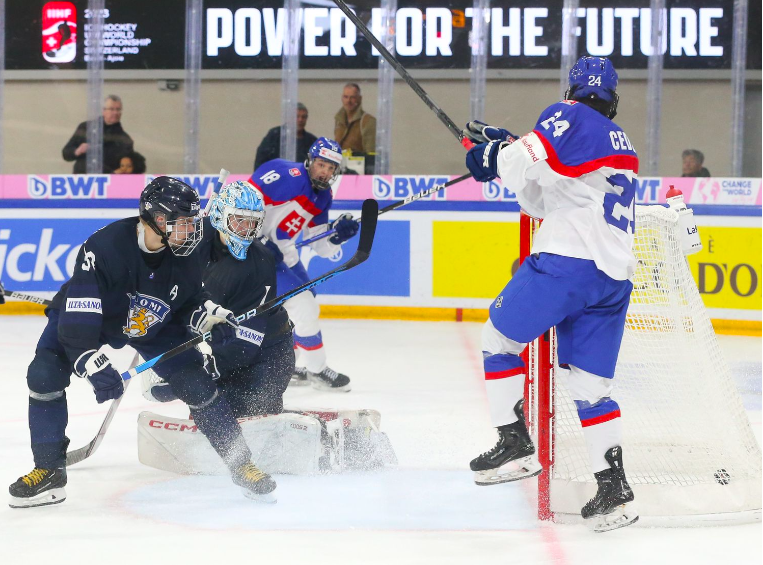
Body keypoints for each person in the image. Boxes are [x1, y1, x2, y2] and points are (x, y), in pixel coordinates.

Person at [8, 177, 277, 509]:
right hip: (100, 319)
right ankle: (48, 471)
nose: (194, 230)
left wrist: (209, 316)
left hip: (152, 324)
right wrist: (91, 362)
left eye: (195, 221)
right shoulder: (104, 247)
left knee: (197, 384)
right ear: (159, 220)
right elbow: (79, 320)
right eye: (186, 221)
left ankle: (241, 463)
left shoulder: (186, 253)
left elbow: (190, 299)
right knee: (45, 373)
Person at [463, 56, 639, 533]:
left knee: (498, 339)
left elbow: (522, 166)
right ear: (612, 100)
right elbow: (542, 194)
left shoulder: (571, 116)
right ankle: (614, 490)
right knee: (590, 388)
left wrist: (493, 156)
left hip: (568, 262)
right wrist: (507, 148)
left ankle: (514, 444)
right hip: (612, 278)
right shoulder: (617, 141)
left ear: (573, 91)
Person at [143, 180, 294, 418]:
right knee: (209, 414)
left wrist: (206, 366)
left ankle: (322, 435)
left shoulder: (260, 263)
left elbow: (249, 339)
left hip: (267, 355)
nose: (246, 229)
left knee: (254, 419)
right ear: (221, 215)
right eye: (239, 220)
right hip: (224, 346)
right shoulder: (194, 236)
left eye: (252, 222)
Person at [249, 137, 359, 392]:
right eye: (321, 165)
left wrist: (337, 234)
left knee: (307, 299)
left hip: (283, 255)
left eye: (331, 168)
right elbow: (237, 205)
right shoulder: (281, 173)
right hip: (252, 254)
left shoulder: (323, 196)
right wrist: (258, 242)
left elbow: (318, 243)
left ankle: (292, 367)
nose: (325, 172)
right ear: (310, 161)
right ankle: (317, 371)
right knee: (304, 307)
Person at [62, 95, 135, 174]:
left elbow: (127, 167)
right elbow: (66, 153)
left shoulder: (125, 139)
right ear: (103, 111)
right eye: (111, 109)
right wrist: (77, 151)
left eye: (118, 110)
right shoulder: (86, 128)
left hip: (109, 182)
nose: (115, 113)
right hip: (83, 181)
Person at [254, 103, 319, 171]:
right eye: (296, 116)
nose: (300, 120)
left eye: (303, 117)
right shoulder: (275, 135)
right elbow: (261, 160)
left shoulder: (312, 141)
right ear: (288, 118)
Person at [334, 83, 376, 154]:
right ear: (342, 98)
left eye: (352, 97)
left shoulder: (368, 121)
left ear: (359, 99)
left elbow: (371, 154)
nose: (348, 101)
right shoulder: (339, 120)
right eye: (345, 97)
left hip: (360, 164)